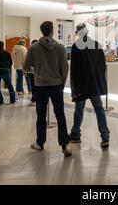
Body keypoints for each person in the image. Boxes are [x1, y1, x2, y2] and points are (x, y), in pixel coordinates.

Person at [23, 21, 71, 156]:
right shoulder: (60, 48)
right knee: (60, 115)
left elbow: (26, 67)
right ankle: (64, 145)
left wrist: (37, 71)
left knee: (41, 115)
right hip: (56, 85)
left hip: (40, 86)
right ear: (52, 30)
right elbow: (65, 68)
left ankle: (40, 143)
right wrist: (61, 83)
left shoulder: (33, 48)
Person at [69, 23, 110, 148]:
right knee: (99, 109)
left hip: (82, 85)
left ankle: (75, 134)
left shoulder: (76, 47)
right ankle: (105, 137)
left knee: (79, 110)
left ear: (78, 33)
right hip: (95, 85)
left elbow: (74, 69)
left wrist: (74, 86)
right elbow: (103, 65)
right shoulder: (96, 45)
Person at [0, 41, 16, 105]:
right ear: (3, 45)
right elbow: (11, 62)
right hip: (5, 71)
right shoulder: (6, 53)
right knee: (10, 86)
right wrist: (7, 68)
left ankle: (0, 101)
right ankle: (12, 99)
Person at [27, 40, 38, 106]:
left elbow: (27, 63)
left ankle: (34, 98)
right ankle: (37, 98)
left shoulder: (30, 52)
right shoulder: (41, 52)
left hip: (31, 72)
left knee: (33, 85)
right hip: (39, 72)